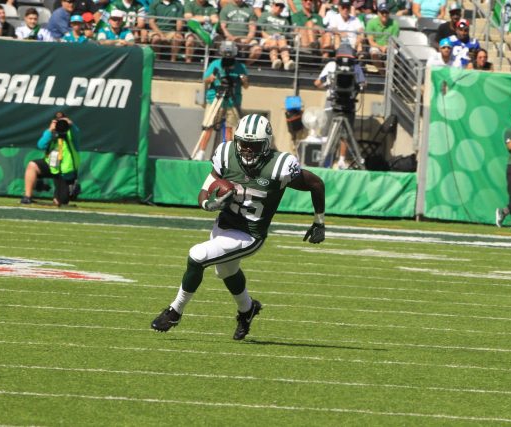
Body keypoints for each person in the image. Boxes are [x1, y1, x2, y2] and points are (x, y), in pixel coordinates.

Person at [151, 114, 326, 340]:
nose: (247, 150)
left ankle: (175, 311)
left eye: (253, 145)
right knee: (226, 271)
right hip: (224, 225)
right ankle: (248, 309)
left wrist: (319, 221)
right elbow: (205, 190)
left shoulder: (280, 166)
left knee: (197, 255)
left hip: (250, 234)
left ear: (266, 144)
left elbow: (316, 183)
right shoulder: (225, 154)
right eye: (243, 143)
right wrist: (209, 203)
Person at [193, 41, 250, 161]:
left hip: (232, 101)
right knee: (208, 126)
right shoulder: (215, 64)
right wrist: (212, 78)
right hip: (215, 97)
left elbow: (246, 86)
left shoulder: (240, 67)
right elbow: (206, 80)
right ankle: (201, 152)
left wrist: (244, 80)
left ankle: (227, 156)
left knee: (230, 128)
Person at [313, 43, 366, 169]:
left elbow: (363, 83)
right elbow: (317, 82)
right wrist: (329, 84)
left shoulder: (356, 67)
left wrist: (357, 86)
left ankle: (341, 160)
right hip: (332, 103)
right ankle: (326, 162)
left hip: (349, 103)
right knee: (328, 134)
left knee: (345, 134)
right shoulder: (331, 65)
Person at [22, 112, 81, 207]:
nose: (60, 124)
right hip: (52, 165)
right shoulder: (50, 132)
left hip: (66, 172)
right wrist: (50, 130)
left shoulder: (72, 133)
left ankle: (65, 192)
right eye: (57, 121)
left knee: (60, 202)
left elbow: (76, 132)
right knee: (32, 165)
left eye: (62, 121)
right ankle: (27, 197)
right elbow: (41, 145)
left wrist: (70, 124)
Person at [258, 0, 295, 70]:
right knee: (274, 41)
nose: (279, 8)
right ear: (273, 5)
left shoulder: (285, 20)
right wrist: (269, 37)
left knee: (281, 40)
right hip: (267, 38)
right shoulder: (265, 15)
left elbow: (285, 33)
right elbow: (260, 30)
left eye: (281, 6)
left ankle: (286, 62)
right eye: (277, 5)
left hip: (280, 39)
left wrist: (278, 36)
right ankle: (275, 60)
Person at [366, 2, 400, 74]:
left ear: (389, 13)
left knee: (392, 54)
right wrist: (381, 47)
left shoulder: (395, 24)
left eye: (386, 12)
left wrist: (387, 47)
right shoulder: (371, 23)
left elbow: (394, 42)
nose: (384, 14)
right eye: (382, 12)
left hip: (390, 46)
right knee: (374, 53)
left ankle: (389, 75)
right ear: (378, 13)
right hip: (376, 45)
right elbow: (371, 42)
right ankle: (383, 75)